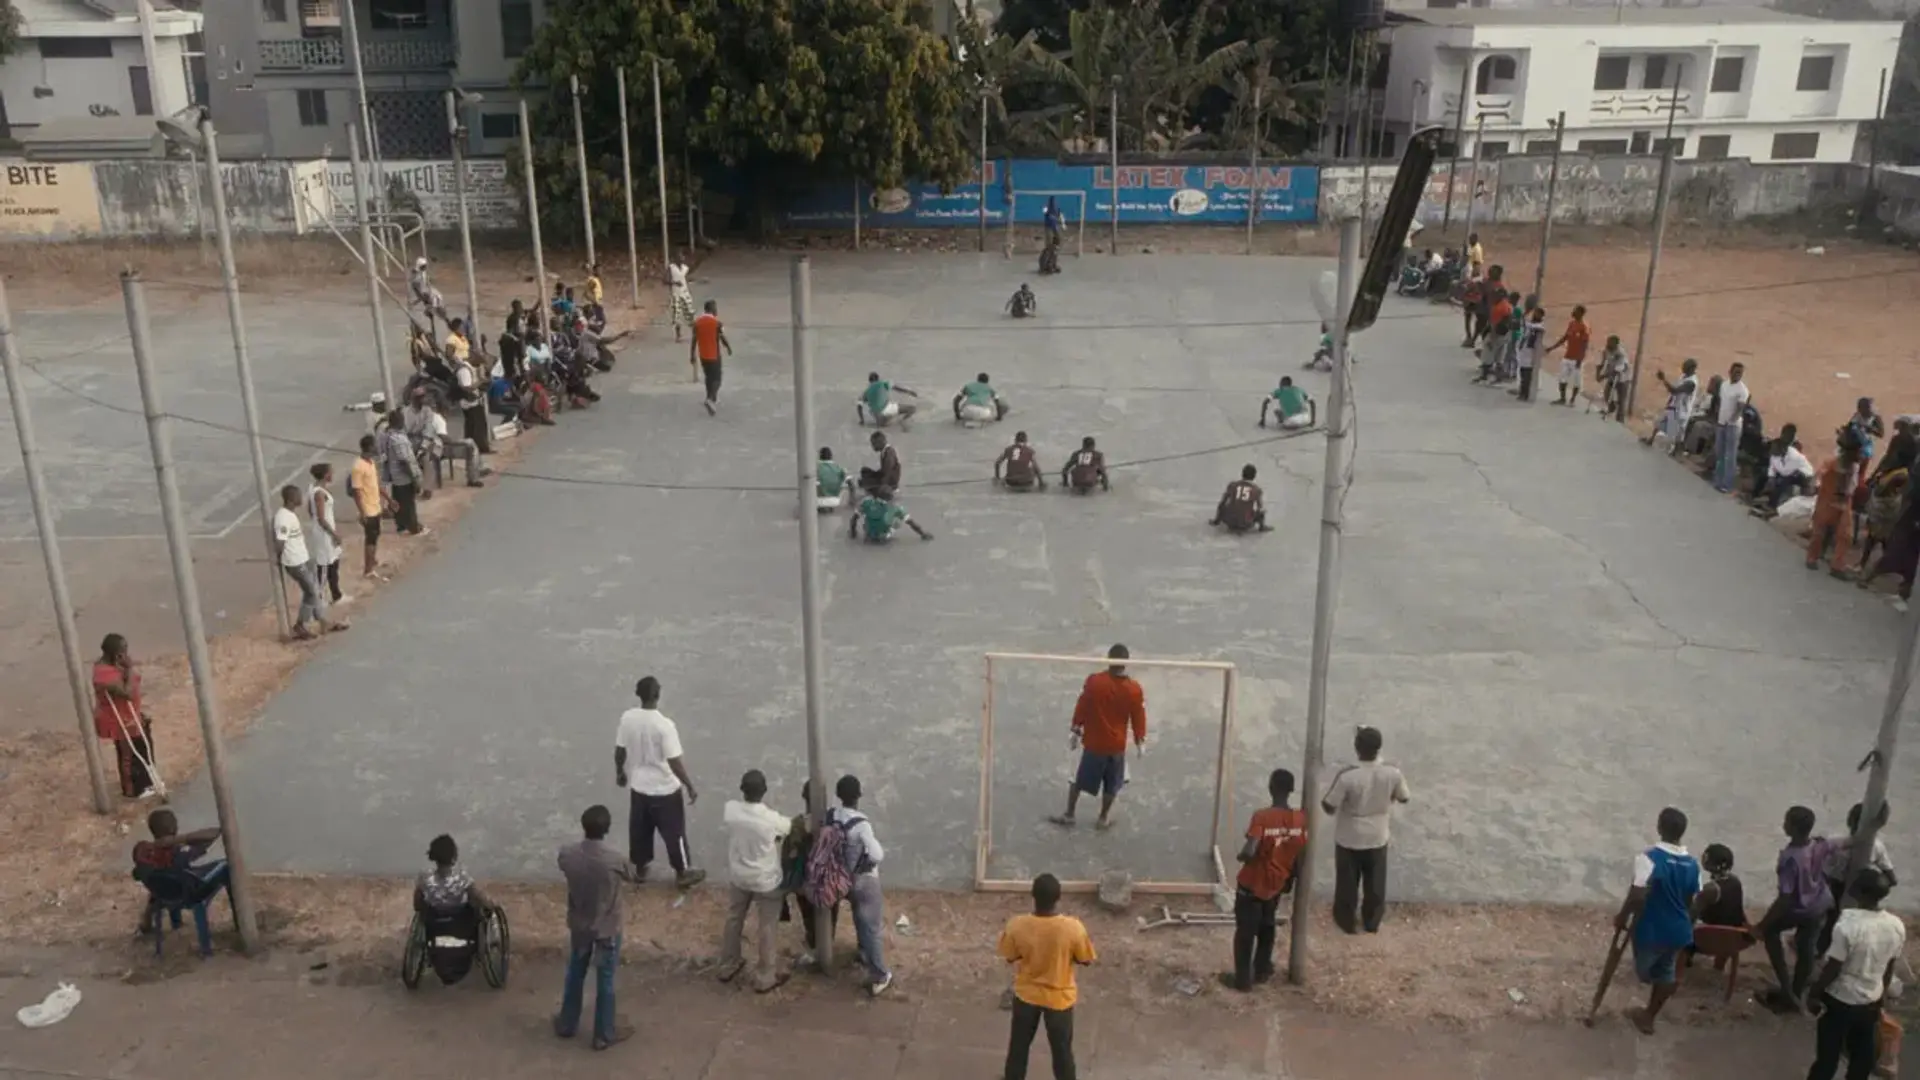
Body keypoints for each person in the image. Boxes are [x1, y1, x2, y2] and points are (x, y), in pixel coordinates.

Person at [1614, 807, 1708, 1035]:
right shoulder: (1693, 865)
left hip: (1652, 928)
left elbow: (1636, 894)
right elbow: (1691, 899)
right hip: (1679, 929)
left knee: (1644, 971)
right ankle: (1649, 1016)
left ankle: (1649, 1003)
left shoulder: (1649, 858)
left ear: (1659, 827)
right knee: (1666, 972)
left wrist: (1622, 916)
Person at [1806, 869, 1905, 1080]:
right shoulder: (1896, 926)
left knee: (1827, 1059)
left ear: (1859, 893)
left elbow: (1833, 968)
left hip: (1839, 1000)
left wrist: (1814, 993)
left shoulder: (1847, 926)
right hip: (1870, 1000)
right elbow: (1889, 967)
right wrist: (1882, 998)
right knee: (1862, 1058)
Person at [998, 873, 1094, 1080]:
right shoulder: (1073, 928)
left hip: (1027, 995)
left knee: (1018, 1048)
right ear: (1058, 898)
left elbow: (1009, 956)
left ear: (1033, 896)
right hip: (1059, 998)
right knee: (1062, 1053)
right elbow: (1086, 959)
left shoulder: (1017, 925)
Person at [614, 676, 706, 889]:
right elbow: (674, 761)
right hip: (665, 790)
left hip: (639, 787)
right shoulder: (665, 725)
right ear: (658, 695)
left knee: (639, 830)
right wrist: (689, 785)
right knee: (674, 832)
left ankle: (640, 868)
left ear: (638, 694)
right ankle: (682, 871)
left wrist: (620, 771)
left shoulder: (628, 718)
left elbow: (620, 750)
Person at [1222, 768, 1308, 992]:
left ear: (1271, 787)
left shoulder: (1262, 816)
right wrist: (1291, 877)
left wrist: (1241, 855)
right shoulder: (1300, 819)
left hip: (1252, 884)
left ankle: (1242, 980)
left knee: (1245, 932)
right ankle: (1262, 970)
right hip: (1276, 883)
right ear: (1291, 790)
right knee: (1267, 925)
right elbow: (1298, 853)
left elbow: (1250, 851)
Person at [555, 804, 633, 1050]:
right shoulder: (614, 859)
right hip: (606, 928)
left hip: (579, 925)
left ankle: (567, 1024)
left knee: (575, 973)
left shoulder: (567, 854)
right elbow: (632, 875)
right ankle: (603, 1033)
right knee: (606, 979)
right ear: (607, 829)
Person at [1322, 726, 1410, 934]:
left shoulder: (1347, 776)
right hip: (1378, 834)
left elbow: (1329, 806)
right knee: (1375, 882)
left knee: (1347, 883)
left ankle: (1346, 922)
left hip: (1349, 836)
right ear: (1379, 748)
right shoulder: (1392, 773)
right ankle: (1372, 922)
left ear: (1356, 747)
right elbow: (1404, 797)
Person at [1049, 644, 1146, 830]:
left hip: (1095, 743)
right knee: (1112, 784)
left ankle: (1070, 814)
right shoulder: (1134, 689)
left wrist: (1076, 729)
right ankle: (1103, 818)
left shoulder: (1095, 682)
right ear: (1125, 663)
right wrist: (1140, 739)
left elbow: (1083, 706)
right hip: (1116, 746)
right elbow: (1138, 716)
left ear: (1109, 660)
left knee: (1078, 779)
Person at [1756, 805, 1835, 1012]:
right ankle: (1797, 991)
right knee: (1807, 946)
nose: (1783, 824)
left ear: (1791, 827)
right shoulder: (1819, 844)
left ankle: (1787, 990)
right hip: (1820, 904)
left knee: (1771, 932)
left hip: (1801, 908)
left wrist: (1762, 925)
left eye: (1786, 821)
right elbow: (1842, 844)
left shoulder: (1790, 858)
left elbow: (1785, 898)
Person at [718, 769, 790, 993]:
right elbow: (788, 828)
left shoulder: (731, 811)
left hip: (739, 877)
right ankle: (765, 975)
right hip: (766, 880)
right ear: (765, 790)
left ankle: (728, 964)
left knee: (734, 918)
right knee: (767, 926)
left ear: (742, 790)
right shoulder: (770, 819)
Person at [829, 774, 892, 995]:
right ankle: (880, 975)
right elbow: (877, 854)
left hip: (840, 879)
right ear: (858, 796)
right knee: (872, 926)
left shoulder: (832, 816)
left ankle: (863, 952)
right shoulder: (861, 824)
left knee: (858, 915)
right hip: (863, 880)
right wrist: (865, 864)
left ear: (838, 796)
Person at [132, 809, 232, 933]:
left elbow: (139, 872)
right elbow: (215, 833)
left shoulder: (144, 852)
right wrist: (180, 839)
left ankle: (175, 923)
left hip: (162, 894)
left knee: (164, 878)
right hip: (188, 896)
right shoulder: (180, 852)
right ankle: (240, 919)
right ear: (174, 829)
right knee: (226, 866)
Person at [1819, 802, 1897, 953]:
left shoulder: (1836, 842)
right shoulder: (1877, 847)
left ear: (1849, 821)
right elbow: (1892, 879)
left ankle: (1822, 951)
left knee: (1829, 923)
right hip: (1859, 894)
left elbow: (1821, 869)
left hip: (1834, 889)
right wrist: (1874, 886)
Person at [274, 484, 345, 639]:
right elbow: (280, 541)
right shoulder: (283, 517)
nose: (302, 498)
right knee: (312, 592)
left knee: (314, 592)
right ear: (292, 498)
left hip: (303, 558)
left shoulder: (290, 514)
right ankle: (300, 625)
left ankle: (323, 622)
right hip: (295, 562)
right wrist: (279, 559)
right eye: (299, 496)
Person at [93, 633, 155, 799]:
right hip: (118, 720)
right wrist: (128, 669)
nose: (126, 653)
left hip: (131, 715)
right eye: (123, 650)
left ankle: (147, 781)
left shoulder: (117, 664)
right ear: (115, 653)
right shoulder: (103, 675)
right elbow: (126, 693)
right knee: (128, 754)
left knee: (143, 747)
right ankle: (132, 789)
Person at [1808, 427, 1866, 577]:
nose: (1860, 454)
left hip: (1844, 501)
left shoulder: (1853, 467)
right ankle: (1812, 557)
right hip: (1828, 500)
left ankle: (1837, 565)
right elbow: (1817, 477)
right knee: (1819, 531)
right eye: (1858, 451)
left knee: (1845, 535)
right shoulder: (1832, 463)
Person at [415, 833, 497, 937]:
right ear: (453, 855)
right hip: (463, 924)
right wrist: (490, 905)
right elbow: (478, 897)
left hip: (434, 925)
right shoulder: (462, 878)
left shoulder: (425, 878)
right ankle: (493, 940)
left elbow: (417, 905)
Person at [346, 434, 387, 581]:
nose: (377, 447)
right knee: (371, 538)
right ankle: (368, 570)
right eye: (375, 445)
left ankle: (372, 560)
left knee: (375, 536)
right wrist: (362, 512)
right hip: (368, 509)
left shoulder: (371, 462)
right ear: (370, 447)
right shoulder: (358, 467)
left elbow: (376, 484)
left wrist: (388, 499)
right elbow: (356, 491)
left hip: (375, 506)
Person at [379, 410, 427, 536]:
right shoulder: (398, 439)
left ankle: (401, 526)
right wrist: (414, 478)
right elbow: (404, 461)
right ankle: (413, 528)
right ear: (399, 421)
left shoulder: (387, 436)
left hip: (395, 476)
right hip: (404, 477)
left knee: (399, 502)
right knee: (408, 503)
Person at [1752, 425, 1814, 517]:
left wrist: (1774, 479)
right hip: (1788, 471)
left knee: (1783, 481)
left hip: (1804, 474)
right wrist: (1771, 477)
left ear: (1783, 450)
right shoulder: (1775, 454)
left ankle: (1772, 505)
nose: (1773, 453)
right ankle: (1755, 495)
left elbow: (1786, 472)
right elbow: (1772, 467)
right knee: (1766, 475)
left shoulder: (1794, 456)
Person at [307, 463, 346, 606]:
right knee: (324, 565)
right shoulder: (319, 493)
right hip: (324, 533)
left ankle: (337, 594)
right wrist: (333, 534)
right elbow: (321, 518)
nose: (332, 475)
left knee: (334, 562)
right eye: (331, 473)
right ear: (325, 475)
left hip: (326, 531)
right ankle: (319, 597)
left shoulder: (317, 489)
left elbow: (310, 511)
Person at [1643, 359, 1700, 454]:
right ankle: (1651, 439)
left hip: (1681, 411)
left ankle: (1675, 451)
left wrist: (1663, 379)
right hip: (1674, 406)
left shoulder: (1691, 383)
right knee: (1660, 421)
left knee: (1674, 433)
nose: (1683, 368)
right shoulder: (1684, 376)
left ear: (1692, 369)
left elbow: (1675, 390)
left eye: (1685, 367)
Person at [1712, 362, 1751, 493]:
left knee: (1730, 455)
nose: (1737, 375)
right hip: (1721, 422)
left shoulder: (1743, 391)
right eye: (1736, 372)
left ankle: (1727, 484)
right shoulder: (1724, 385)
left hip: (1732, 426)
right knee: (1720, 452)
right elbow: (1721, 402)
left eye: (1740, 373)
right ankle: (1717, 479)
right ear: (1730, 372)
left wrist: (1731, 421)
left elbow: (1739, 409)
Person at [690, 300, 731, 415]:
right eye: (715, 308)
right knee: (717, 379)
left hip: (703, 356)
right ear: (712, 310)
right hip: (714, 355)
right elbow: (722, 337)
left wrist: (692, 355)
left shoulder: (697, 323)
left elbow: (694, 340)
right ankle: (711, 398)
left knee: (708, 377)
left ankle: (709, 398)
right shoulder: (717, 323)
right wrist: (728, 347)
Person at [1545, 304, 1590, 407]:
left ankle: (1572, 400)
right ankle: (1562, 398)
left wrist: (1580, 359)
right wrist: (1552, 348)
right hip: (1567, 356)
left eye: (1575, 311)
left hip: (1577, 359)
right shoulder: (1572, 324)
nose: (1573, 312)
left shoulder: (1584, 327)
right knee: (1562, 378)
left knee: (1576, 382)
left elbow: (1584, 345)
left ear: (1581, 313)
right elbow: (1565, 338)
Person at [851, 485, 933, 542]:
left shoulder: (866, 502)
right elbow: (911, 523)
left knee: (867, 517)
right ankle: (887, 533)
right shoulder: (895, 507)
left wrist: (853, 533)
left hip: (868, 534)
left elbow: (854, 518)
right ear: (890, 497)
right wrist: (923, 534)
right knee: (898, 522)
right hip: (883, 537)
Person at [1696, 843, 1747, 930]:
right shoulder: (1735, 881)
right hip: (1734, 936)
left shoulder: (1710, 889)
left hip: (1713, 936)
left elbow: (1693, 913)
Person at [1211, 464, 1271, 533]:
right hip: (1246, 523)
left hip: (1230, 521)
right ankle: (1262, 527)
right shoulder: (1257, 490)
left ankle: (1216, 521)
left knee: (1223, 505)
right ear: (1254, 476)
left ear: (1242, 474)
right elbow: (1259, 507)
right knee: (1261, 512)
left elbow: (1223, 502)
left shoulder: (1232, 485)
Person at [1512, 306, 1546, 401]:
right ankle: (1522, 390)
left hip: (1531, 353)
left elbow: (1536, 328)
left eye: (1537, 313)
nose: (1535, 315)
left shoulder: (1539, 327)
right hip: (1523, 350)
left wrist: (1525, 323)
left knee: (1527, 373)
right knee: (1522, 371)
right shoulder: (1530, 324)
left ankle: (1525, 393)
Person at [1595, 334, 1630, 417]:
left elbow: (1618, 369)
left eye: (1610, 342)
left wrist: (1603, 376)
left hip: (1622, 378)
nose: (1607, 343)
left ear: (1615, 344)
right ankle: (1611, 408)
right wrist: (1598, 374)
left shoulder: (1621, 353)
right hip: (1611, 376)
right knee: (1607, 394)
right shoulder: (1606, 350)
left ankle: (1620, 418)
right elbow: (1601, 363)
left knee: (1621, 400)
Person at [859, 431, 902, 495]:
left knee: (864, 482)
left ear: (879, 443)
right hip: (884, 477)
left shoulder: (889, 453)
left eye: (874, 444)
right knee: (865, 471)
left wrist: (883, 485)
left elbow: (888, 472)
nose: (873, 447)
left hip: (889, 482)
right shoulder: (885, 451)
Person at [668, 253, 695, 342]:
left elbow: (686, 278)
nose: (681, 259)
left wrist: (690, 280)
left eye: (682, 257)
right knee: (677, 315)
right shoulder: (671, 268)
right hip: (676, 294)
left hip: (685, 293)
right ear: (675, 259)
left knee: (690, 312)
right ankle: (678, 335)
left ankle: (695, 332)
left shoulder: (685, 268)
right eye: (679, 258)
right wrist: (674, 283)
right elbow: (664, 280)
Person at [815, 447, 850, 512]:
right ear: (831, 456)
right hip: (836, 500)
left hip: (819, 500)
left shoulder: (817, 468)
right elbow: (850, 482)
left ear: (820, 456)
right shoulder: (839, 468)